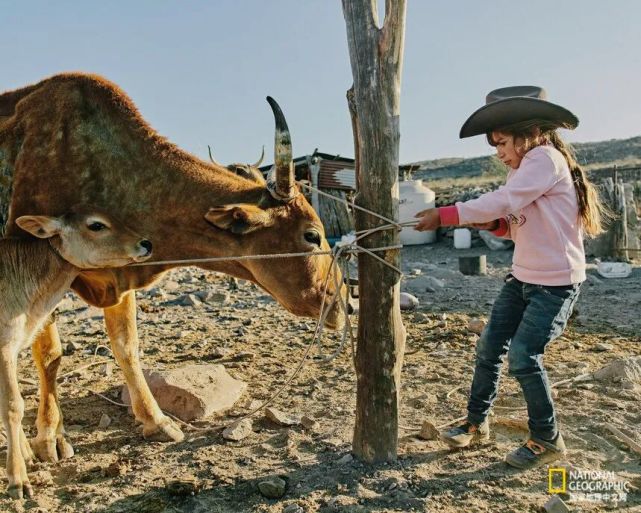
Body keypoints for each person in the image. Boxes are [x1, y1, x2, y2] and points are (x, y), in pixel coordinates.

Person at [414, 86, 608, 469]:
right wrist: (499, 226)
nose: (499, 152)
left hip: (554, 285)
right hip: (522, 279)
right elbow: (517, 221)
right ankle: (476, 422)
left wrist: (447, 214)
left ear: (530, 133)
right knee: (489, 347)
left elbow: (506, 201)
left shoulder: (544, 159)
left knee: (523, 355)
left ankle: (547, 437)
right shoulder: (526, 170)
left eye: (501, 143)